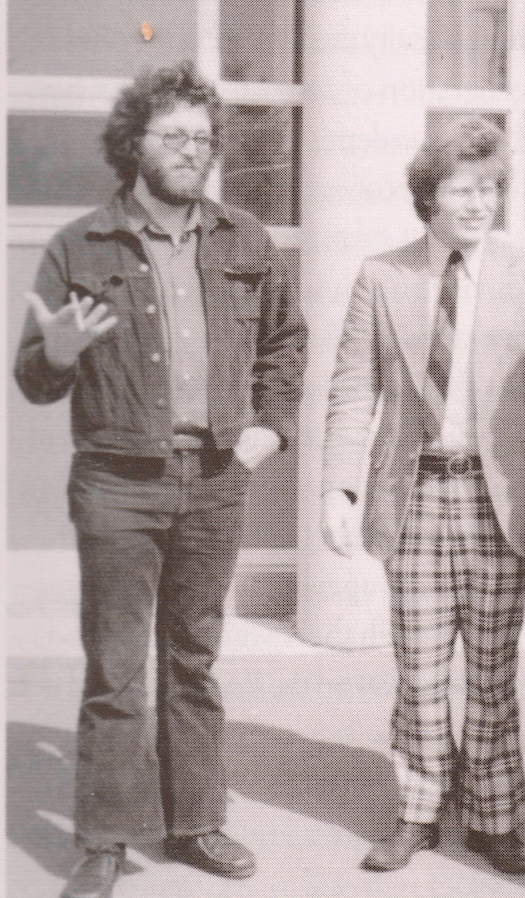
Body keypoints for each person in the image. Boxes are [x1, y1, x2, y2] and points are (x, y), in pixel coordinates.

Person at [13, 60, 306, 898]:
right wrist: (57, 351)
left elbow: (288, 341)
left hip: (217, 475)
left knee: (193, 658)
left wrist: (268, 429)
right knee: (114, 668)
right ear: (132, 142)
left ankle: (195, 823)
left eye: (202, 138)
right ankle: (104, 839)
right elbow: (35, 376)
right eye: (172, 135)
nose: (190, 150)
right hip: (116, 480)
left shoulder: (245, 238)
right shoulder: (82, 244)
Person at [321, 117, 525, 877]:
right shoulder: (382, 274)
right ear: (428, 196)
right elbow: (351, 389)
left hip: (501, 499)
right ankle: (416, 809)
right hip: (412, 497)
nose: (478, 203)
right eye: (462, 189)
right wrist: (339, 487)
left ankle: (497, 817)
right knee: (419, 667)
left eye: (491, 188)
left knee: (492, 671)